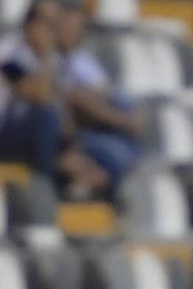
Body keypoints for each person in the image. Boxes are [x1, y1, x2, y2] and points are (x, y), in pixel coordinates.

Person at [0, 0, 107, 198]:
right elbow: (39, 96)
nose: (52, 33)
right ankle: (47, 191)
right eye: (48, 25)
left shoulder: (51, 58)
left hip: (32, 130)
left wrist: (73, 151)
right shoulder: (7, 52)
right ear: (31, 25)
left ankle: (73, 186)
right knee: (46, 116)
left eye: (55, 26)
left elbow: (60, 102)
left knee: (95, 155)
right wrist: (46, 55)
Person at [54, 0, 141, 191]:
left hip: (99, 125)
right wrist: (122, 121)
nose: (72, 32)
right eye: (66, 25)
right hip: (73, 132)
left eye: (77, 27)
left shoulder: (83, 61)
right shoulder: (47, 58)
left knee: (123, 102)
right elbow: (74, 99)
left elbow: (104, 95)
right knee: (116, 155)